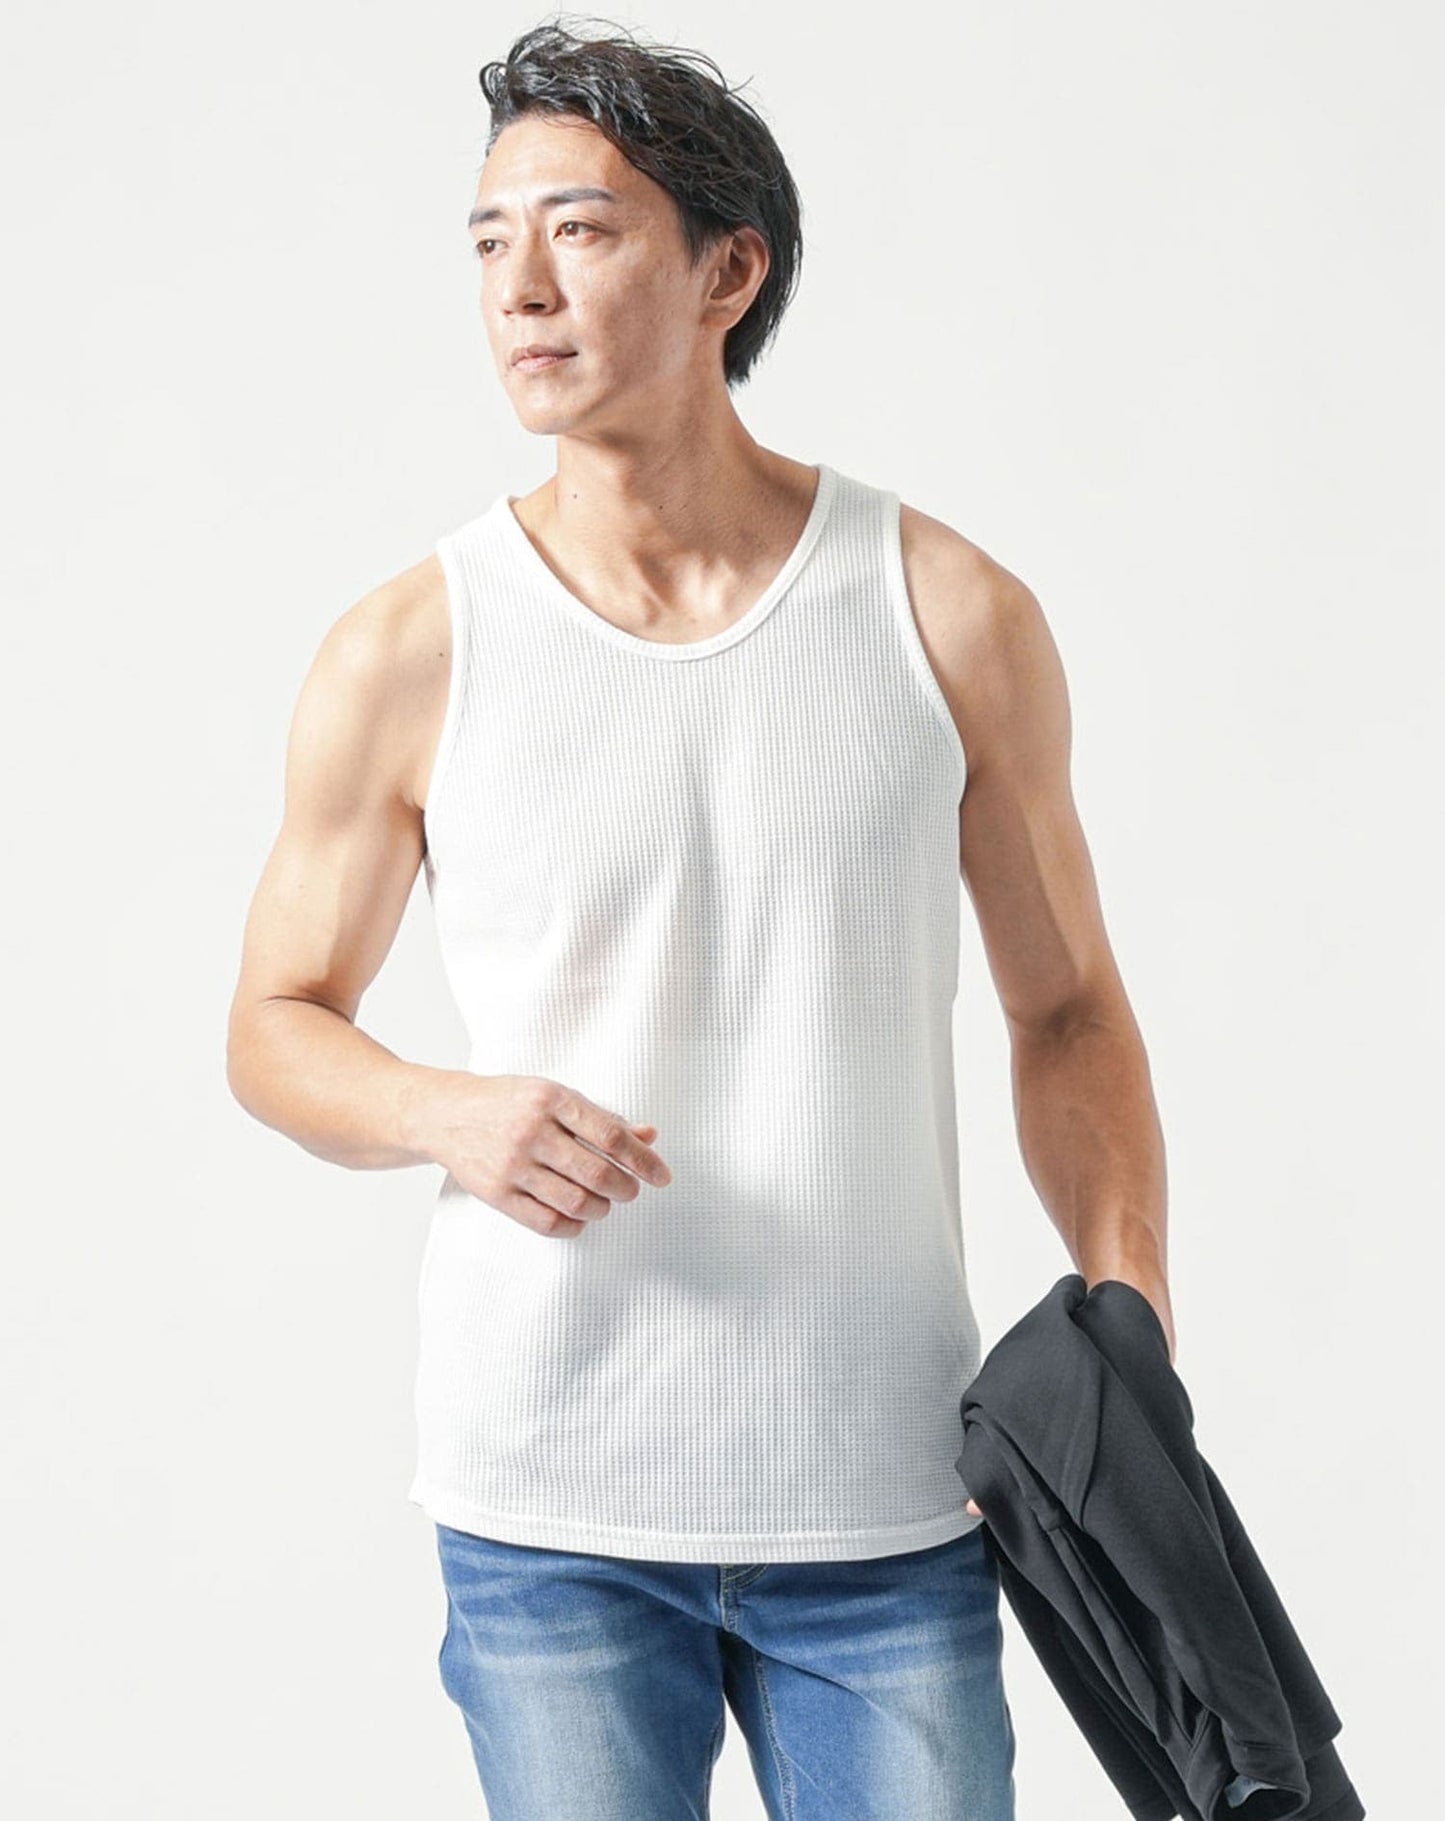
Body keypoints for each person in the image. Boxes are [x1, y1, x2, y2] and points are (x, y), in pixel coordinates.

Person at [226, 21, 1173, 1821]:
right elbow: (273, 1018)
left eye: (579, 231)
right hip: (547, 1505)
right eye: (490, 239)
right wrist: (445, 1110)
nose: (519, 287)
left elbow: (1065, 1008)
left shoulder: (946, 612)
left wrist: (1127, 1295)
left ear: (727, 272)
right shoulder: (407, 648)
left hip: (887, 1494)